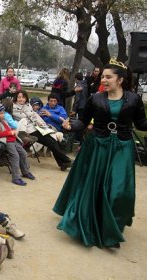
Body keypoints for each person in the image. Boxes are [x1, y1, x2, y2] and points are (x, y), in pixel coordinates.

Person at [53, 58, 147, 248]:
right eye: (103, 76)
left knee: (119, 190)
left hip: (121, 147)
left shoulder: (134, 99)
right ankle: (92, 223)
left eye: (108, 77)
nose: (103, 80)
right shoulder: (95, 98)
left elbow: (141, 124)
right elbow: (83, 121)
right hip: (97, 146)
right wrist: (70, 126)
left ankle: (110, 225)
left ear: (120, 79)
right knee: (93, 186)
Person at [12, 90, 72, 170]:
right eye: (19, 97)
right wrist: (34, 119)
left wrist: (42, 124)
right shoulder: (13, 107)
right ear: (16, 98)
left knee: (53, 140)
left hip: (37, 127)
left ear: (26, 98)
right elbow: (24, 118)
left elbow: (36, 116)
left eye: (23, 97)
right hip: (27, 131)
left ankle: (63, 163)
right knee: (50, 142)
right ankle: (67, 160)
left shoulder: (28, 105)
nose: (21, 99)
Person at [0, 104, 35, 186]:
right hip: (7, 141)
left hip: (13, 140)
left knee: (23, 153)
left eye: (3, 113)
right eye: (0, 113)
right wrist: (9, 132)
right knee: (15, 157)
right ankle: (16, 178)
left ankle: (25, 171)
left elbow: (8, 129)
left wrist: (13, 131)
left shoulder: (3, 120)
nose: (3, 114)